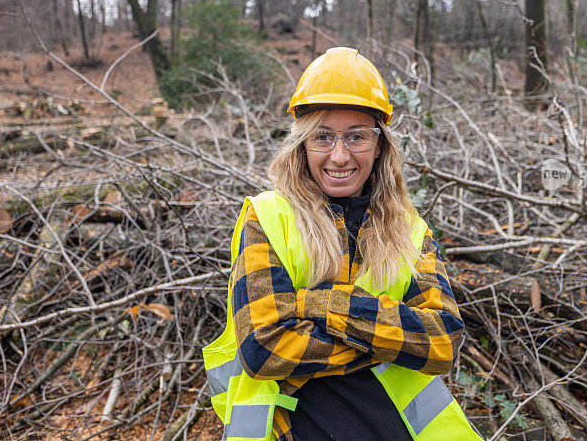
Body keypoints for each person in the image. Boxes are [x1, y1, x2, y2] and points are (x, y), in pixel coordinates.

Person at [203, 47, 481, 441]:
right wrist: (390, 338)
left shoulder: (410, 231)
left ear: (380, 145)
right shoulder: (268, 218)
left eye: (356, 137)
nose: (339, 155)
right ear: (301, 144)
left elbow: (441, 342)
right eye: (322, 137)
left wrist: (322, 303)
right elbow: (264, 348)